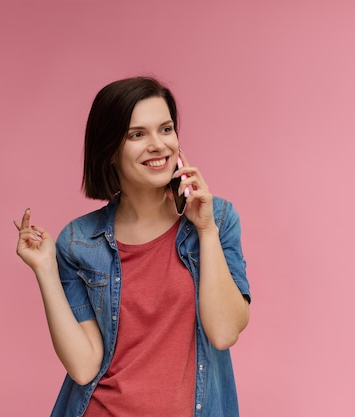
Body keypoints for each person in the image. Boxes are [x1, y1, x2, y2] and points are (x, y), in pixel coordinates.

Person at [14, 76, 251, 417]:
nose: (158, 145)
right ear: (110, 149)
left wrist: (206, 231)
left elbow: (225, 331)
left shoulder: (219, 218)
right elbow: (84, 367)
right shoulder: (79, 241)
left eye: (166, 129)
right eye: (137, 134)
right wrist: (46, 270)